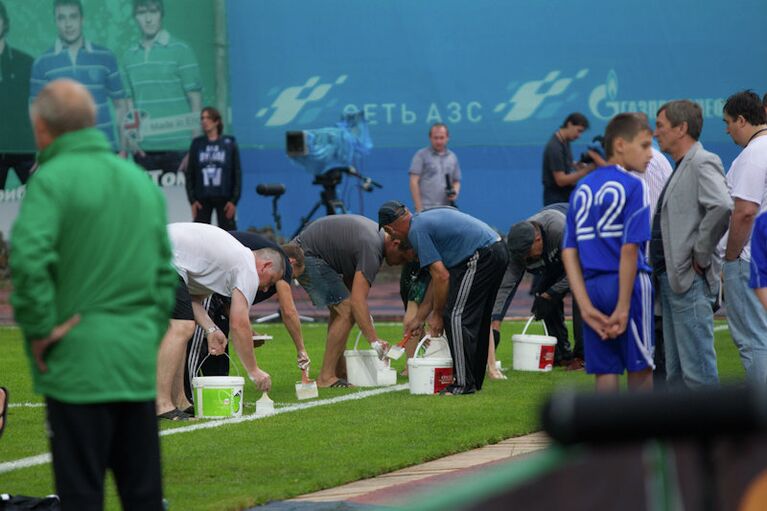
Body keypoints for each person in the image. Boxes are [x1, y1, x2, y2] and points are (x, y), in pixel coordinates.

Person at [10, 79, 175, 510]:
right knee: (143, 495)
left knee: (81, 495)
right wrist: (146, 332)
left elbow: (28, 264)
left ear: (42, 127)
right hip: (133, 361)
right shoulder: (138, 182)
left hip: (77, 366)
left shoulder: (51, 181)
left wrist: (42, 332)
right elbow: (164, 274)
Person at [562, 112, 655, 392]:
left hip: (592, 287)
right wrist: (624, 307)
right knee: (641, 368)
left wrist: (586, 307)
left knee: (605, 371)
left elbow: (569, 251)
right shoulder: (633, 185)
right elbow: (629, 249)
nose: (650, 154)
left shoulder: (581, 187)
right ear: (620, 145)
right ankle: (642, 436)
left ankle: (610, 436)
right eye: (645, 145)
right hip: (629, 285)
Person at [157, 222, 284, 419]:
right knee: (181, 326)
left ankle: (180, 400)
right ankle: (162, 404)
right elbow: (239, 323)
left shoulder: (227, 266)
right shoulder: (248, 267)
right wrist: (254, 371)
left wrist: (211, 330)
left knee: (183, 326)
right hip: (159, 252)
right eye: (272, 280)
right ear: (265, 266)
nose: (266, 289)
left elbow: (193, 301)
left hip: (156, 249)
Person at [380, 203, 508, 395]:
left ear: (390, 229)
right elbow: (436, 279)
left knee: (455, 316)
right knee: (478, 318)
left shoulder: (416, 231)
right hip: (496, 249)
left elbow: (442, 276)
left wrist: (438, 315)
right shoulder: (423, 219)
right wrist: (420, 318)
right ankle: (473, 381)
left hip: (481, 254)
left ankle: (463, 384)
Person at [653, 100, 732, 388]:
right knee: (677, 375)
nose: (655, 132)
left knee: (698, 374)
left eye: (660, 126)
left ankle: (710, 433)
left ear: (681, 128)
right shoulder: (682, 166)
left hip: (688, 281)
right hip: (674, 281)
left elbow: (722, 206)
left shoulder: (702, 161)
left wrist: (700, 253)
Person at [184, 232, 310, 398]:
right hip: (200, 281)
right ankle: (186, 396)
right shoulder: (282, 265)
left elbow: (231, 306)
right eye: (291, 277)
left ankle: (217, 393)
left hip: (214, 289)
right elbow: (288, 311)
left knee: (218, 340)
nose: (266, 289)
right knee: (197, 340)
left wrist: (248, 331)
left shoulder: (253, 263)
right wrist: (301, 349)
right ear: (291, 263)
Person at [292, 214, 411, 387]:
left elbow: (353, 291)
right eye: (403, 258)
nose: (400, 264)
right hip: (305, 257)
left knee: (341, 310)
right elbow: (357, 301)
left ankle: (338, 371)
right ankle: (326, 377)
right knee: (346, 311)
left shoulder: (372, 240)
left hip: (310, 251)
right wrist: (374, 340)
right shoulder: (372, 248)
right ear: (395, 243)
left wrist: (364, 318)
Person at [492, 203, 584, 370]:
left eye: (527, 254)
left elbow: (578, 270)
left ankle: (582, 357)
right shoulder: (518, 248)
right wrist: (495, 323)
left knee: (580, 294)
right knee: (543, 299)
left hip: (581, 255)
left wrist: (551, 294)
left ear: (538, 240)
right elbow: (506, 287)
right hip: (556, 261)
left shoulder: (560, 229)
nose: (525, 260)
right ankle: (562, 355)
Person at [30, 0, 129, 152]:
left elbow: (121, 106)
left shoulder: (105, 57)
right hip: (63, 153)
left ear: (82, 19)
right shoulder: (42, 62)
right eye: (62, 18)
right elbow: (37, 112)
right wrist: (42, 152)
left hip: (104, 150)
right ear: (55, 21)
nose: (68, 24)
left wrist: (122, 149)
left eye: (73, 17)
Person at [717, 91, 767, 385]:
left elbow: (745, 211)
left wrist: (731, 256)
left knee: (753, 340)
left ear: (742, 119)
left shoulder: (754, 154)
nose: (726, 129)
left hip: (750, 259)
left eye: (728, 122)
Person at [124, 0, 202, 173]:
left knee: (179, 201)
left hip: (179, 150)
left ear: (162, 14)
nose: (148, 18)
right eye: (142, 12)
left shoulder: (182, 50)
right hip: (144, 151)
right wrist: (132, 141)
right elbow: (129, 104)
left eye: (153, 11)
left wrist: (194, 148)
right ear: (135, 17)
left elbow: (195, 102)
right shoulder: (129, 56)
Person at [185, 107, 241, 231]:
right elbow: (190, 173)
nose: (204, 121)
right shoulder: (197, 143)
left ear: (216, 121)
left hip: (225, 198)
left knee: (230, 235)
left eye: (208, 118)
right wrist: (192, 200)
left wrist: (234, 201)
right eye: (202, 118)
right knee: (199, 235)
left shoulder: (229, 143)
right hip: (202, 199)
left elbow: (237, 173)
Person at [0, 0, 35, 189]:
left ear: (4, 22)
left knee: (42, 203)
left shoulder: (25, 62)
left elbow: (40, 108)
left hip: (24, 148)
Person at [542, 112, 594, 205]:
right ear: (569, 124)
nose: (579, 135)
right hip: (556, 201)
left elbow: (565, 163)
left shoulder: (565, 142)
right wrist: (586, 170)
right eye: (579, 131)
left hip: (565, 197)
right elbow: (561, 180)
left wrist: (575, 165)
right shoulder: (555, 148)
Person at [409, 123, 461, 212]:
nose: (439, 141)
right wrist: (418, 207)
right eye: (436, 138)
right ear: (430, 137)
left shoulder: (452, 157)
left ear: (447, 137)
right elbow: (413, 181)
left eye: (442, 138)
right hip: (426, 208)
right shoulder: (421, 155)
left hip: (447, 208)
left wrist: (454, 192)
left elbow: (456, 180)